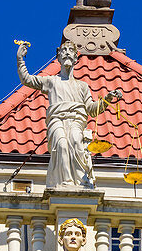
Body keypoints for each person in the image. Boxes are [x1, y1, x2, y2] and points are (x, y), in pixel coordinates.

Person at [16, 40, 121, 189]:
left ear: (76, 58)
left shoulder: (82, 86)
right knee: (61, 145)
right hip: (57, 119)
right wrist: (20, 60)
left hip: (76, 120)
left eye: (70, 51)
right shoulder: (51, 81)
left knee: (76, 142)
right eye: (63, 51)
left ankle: (80, 181)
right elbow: (27, 80)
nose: (66, 53)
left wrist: (108, 99)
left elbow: (91, 109)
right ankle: (65, 182)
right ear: (58, 57)